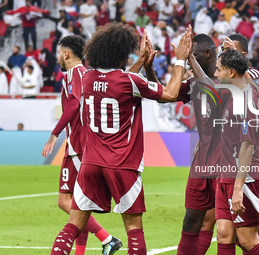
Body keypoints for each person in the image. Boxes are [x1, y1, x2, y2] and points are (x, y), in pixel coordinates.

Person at [48, 23, 192, 255]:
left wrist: (141, 63)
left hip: (90, 164)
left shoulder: (87, 79)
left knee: (73, 225)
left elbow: (116, 81)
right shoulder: (130, 82)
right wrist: (179, 60)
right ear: (121, 54)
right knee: (134, 230)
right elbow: (171, 93)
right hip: (123, 165)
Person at [42, 35, 122, 255]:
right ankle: (89, 248)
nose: (58, 56)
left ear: (66, 53)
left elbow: (74, 103)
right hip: (79, 145)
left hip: (79, 146)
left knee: (67, 201)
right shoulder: (81, 74)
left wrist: (54, 134)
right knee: (78, 202)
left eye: (59, 52)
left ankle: (107, 239)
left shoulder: (76, 73)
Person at [143, 32, 220, 255]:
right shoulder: (193, 81)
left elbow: (213, 92)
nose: (187, 59)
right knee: (191, 223)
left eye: (193, 55)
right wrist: (149, 69)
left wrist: (187, 59)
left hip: (227, 161)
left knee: (231, 230)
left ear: (207, 54)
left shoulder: (228, 76)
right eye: (187, 56)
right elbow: (164, 94)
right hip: (202, 162)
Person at [214, 48, 259, 255]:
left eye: (219, 69)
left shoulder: (247, 100)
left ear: (231, 73)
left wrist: (238, 187)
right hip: (226, 175)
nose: (215, 74)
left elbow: (247, 145)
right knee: (223, 234)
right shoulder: (236, 93)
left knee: (247, 240)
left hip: (245, 178)